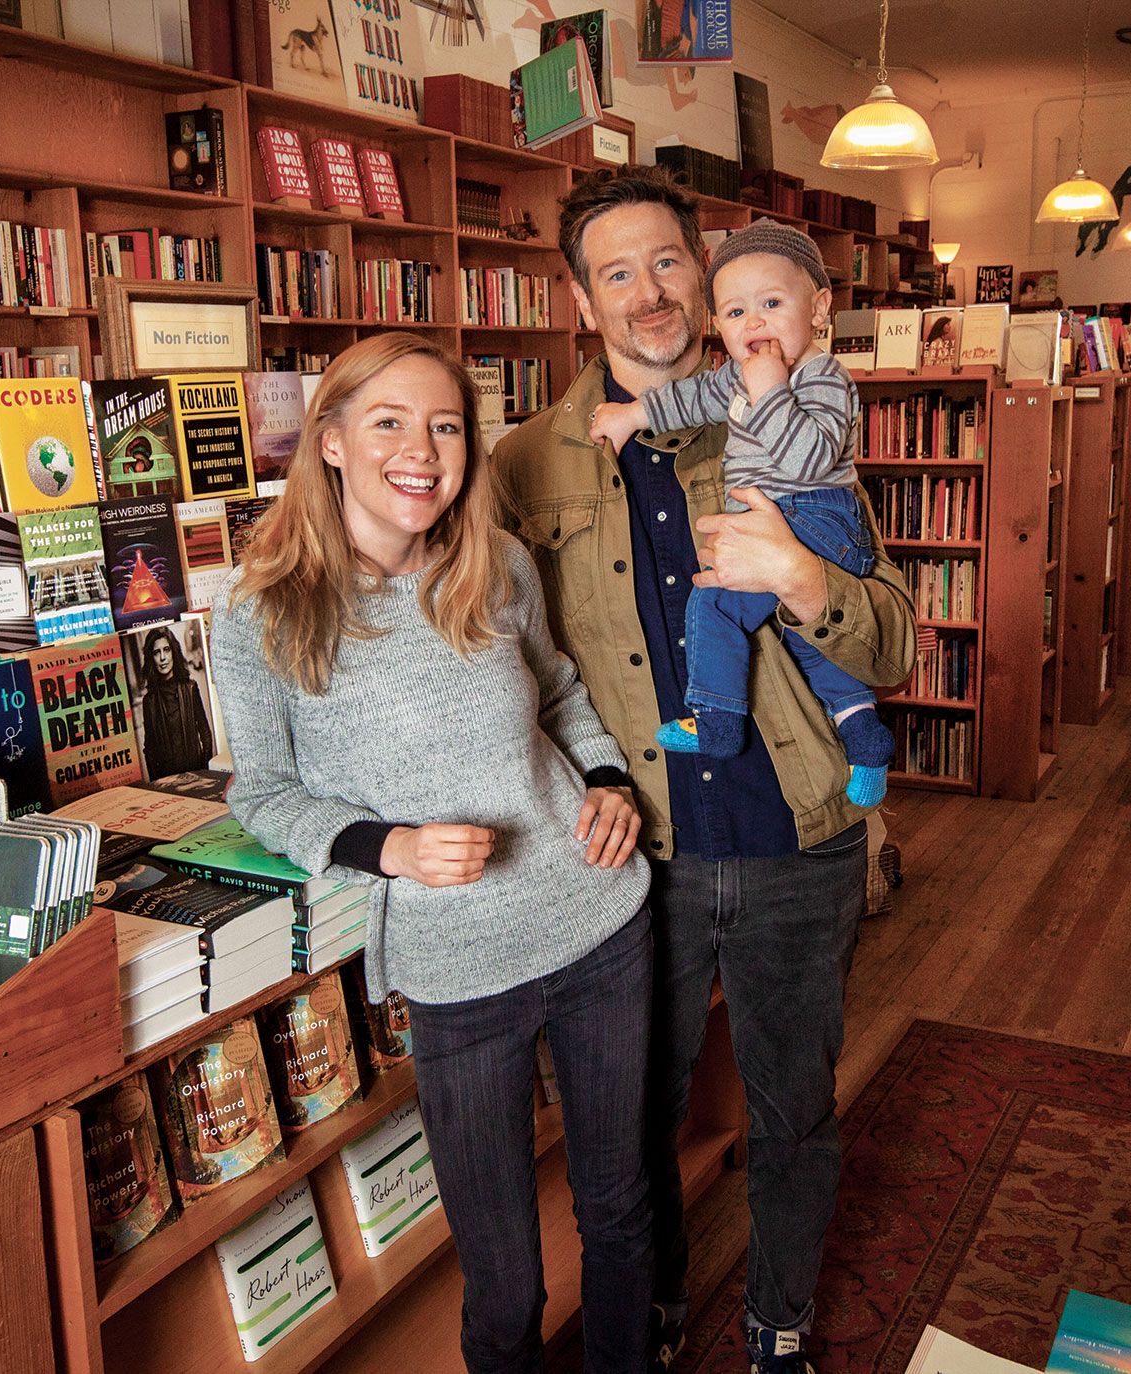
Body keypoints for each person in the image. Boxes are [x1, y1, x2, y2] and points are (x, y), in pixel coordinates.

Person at [493, 167, 919, 1373]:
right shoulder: (526, 466)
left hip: (799, 837)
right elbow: (501, 664)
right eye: (615, 272)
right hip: (637, 864)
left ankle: (776, 1320)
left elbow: (890, 640)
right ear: (582, 299)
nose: (647, 294)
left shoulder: (790, 419)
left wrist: (803, 581)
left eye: (667, 263)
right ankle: (654, 1303)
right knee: (631, 1123)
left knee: (794, 1111)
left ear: (709, 272)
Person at [210, 333, 655, 1373]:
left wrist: (606, 781)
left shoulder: (494, 564)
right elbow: (264, 793)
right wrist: (387, 847)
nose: (422, 450)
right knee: (502, 1274)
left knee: (621, 1208)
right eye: (389, 423)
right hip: (457, 971)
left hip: (596, 918)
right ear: (327, 442)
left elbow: (558, 693)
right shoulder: (261, 610)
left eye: (445, 426)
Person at [588, 219, 894, 807]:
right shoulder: (734, 376)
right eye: (733, 313)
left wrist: (770, 388)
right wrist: (631, 417)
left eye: (772, 303)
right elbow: (689, 399)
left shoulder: (821, 376)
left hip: (816, 516)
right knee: (808, 642)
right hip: (775, 517)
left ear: (819, 308)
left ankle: (717, 719)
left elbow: (809, 458)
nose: (753, 323)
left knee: (712, 604)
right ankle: (865, 735)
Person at [134, 623, 215, 778]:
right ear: (151, 658)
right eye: (156, 652)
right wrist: (157, 784)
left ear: (174, 652)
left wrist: (205, 772)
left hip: (196, 773)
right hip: (167, 780)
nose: (163, 658)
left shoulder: (190, 688)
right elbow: (149, 750)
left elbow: (205, 732)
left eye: (166, 650)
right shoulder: (149, 701)